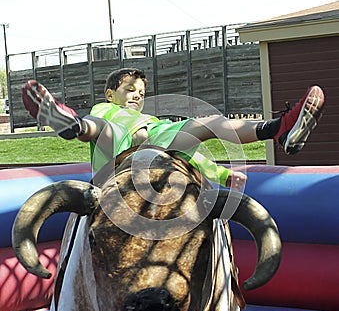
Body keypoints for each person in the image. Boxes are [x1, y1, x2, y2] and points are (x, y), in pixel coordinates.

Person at [22, 68, 325, 190]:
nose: (137, 94)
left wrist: (221, 174)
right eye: (129, 89)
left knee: (206, 124)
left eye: (141, 91)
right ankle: (70, 124)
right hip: (113, 168)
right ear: (110, 94)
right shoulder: (107, 109)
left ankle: (277, 129)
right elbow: (103, 127)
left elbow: (193, 157)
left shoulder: (153, 122)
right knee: (103, 128)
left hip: (156, 147)